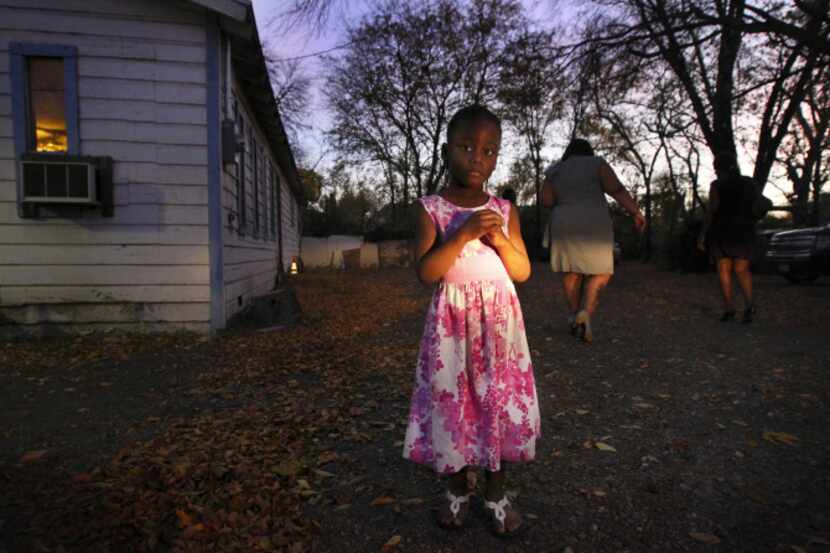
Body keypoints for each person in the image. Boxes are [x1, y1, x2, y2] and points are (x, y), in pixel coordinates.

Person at [403, 105, 540, 536]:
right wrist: (460, 234)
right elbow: (427, 272)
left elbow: (522, 271)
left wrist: (499, 237)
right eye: (466, 147)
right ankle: (458, 488)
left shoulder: (504, 209)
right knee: (454, 403)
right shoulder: (431, 209)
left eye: (489, 150)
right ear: (446, 152)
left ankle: (496, 492)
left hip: (499, 326)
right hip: (453, 325)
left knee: (496, 403)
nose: (477, 157)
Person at [541, 138, 645, 342]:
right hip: (594, 222)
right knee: (601, 271)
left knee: (570, 272)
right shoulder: (597, 164)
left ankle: (574, 317)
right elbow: (616, 190)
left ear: (568, 152)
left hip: (565, 222)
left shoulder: (555, 170)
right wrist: (635, 212)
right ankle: (585, 312)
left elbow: (546, 200)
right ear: (588, 151)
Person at [697, 152, 758, 323]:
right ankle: (750, 306)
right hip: (744, 230)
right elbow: (756, 204)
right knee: (742, 269)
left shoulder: (717, 185)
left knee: (724, 270)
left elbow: (713, 209)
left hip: (722, 230)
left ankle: (729, 309)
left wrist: (702, 234)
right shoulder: (748, 183)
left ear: (718, 168)